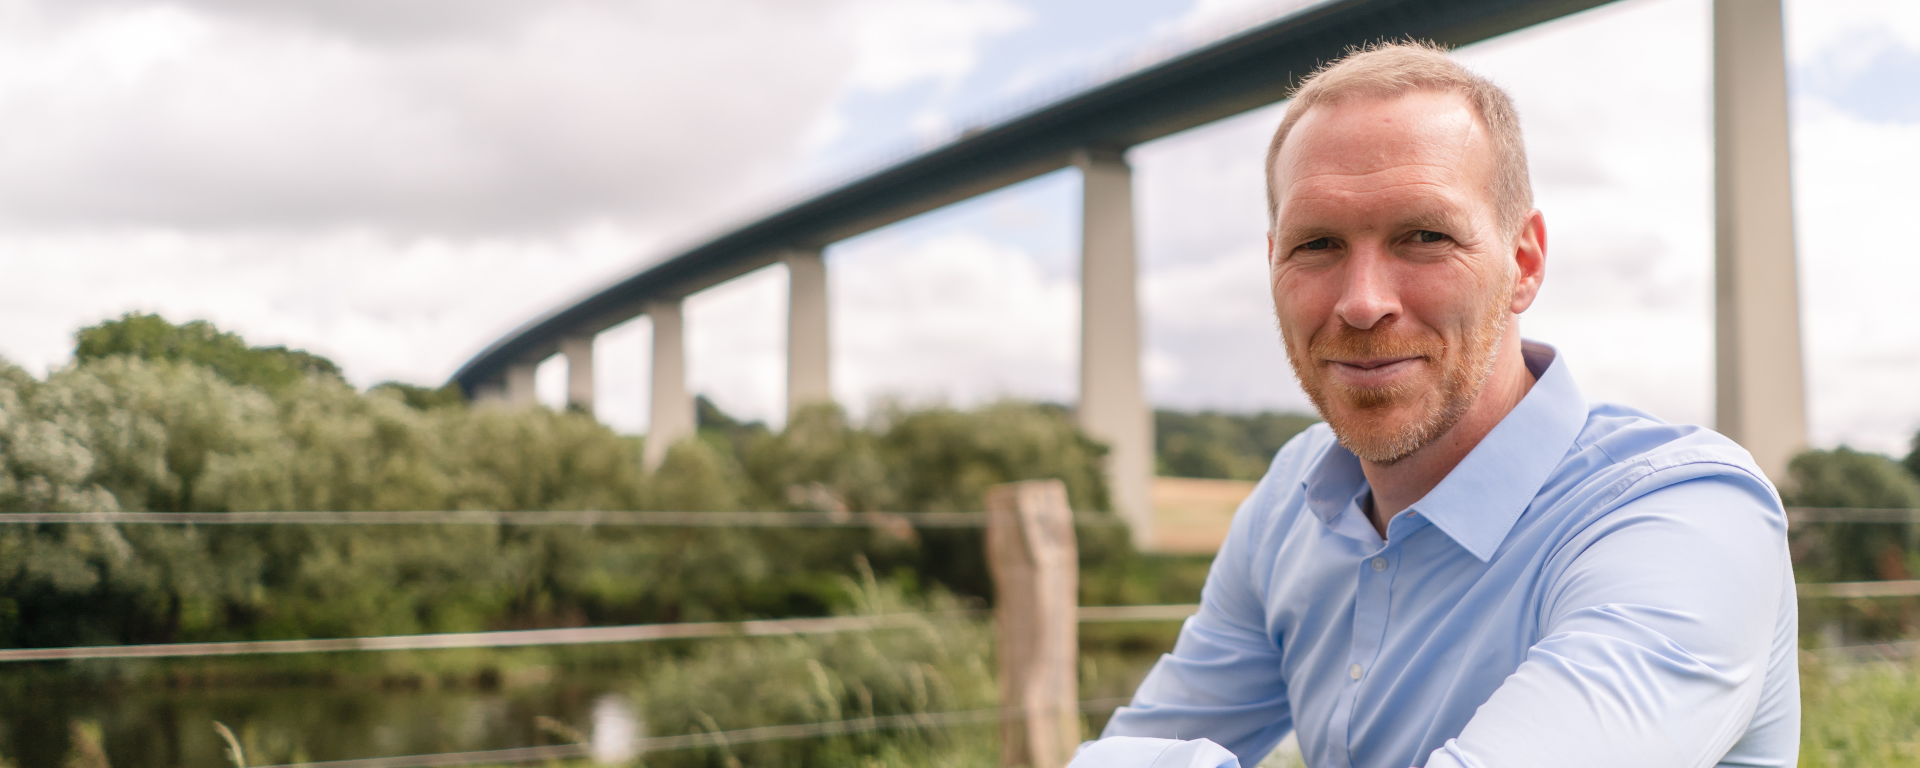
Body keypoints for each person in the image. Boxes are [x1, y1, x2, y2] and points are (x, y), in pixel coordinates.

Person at [1072, 42, 1799, 768]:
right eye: (1317, 244)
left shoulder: (1682, 518)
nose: (1361, 304)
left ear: (1525, 262)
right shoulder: (1290, 503)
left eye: (1424, 236)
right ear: (1272, 265)